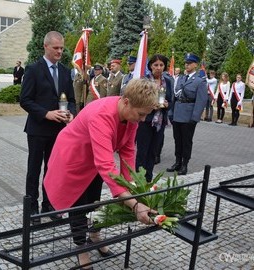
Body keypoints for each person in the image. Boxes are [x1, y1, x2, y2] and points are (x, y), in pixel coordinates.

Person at [43, 79, 158, 269]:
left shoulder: (131, 117)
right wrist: (134, 205)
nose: (143, 119)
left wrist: (129, 188)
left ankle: (95, 236)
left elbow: (128, 151)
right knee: (79, 206)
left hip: (95, 159)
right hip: (74, 158)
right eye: (141, 114)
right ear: (127, 102)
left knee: (95, 201)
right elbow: (106, 165)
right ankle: (81, 250)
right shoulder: (101, 115)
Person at [19, 31, 76, 222]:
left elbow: (72, 100)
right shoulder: (34, 69)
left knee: (52, 170)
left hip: (58, 131)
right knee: (34, 170)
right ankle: (32, 208)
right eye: (56, 48)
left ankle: (49, 205)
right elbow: (25, 100)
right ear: (46, 46)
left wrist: (71, 113)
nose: (60, 51)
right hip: (38, 129)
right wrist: (46, 113)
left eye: (62, 48)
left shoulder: (66, 72)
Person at [167, 53, 208, 175]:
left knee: (186, 141)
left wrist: (195, 117)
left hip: (189, 116)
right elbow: (175, 97)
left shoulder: (199, 81)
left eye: (189, 63)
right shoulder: (180, 78)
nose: (187, 65)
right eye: (186, 63)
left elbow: (201, 101)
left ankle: (184, 164)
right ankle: (177, 162)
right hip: (177, 114)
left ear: (195, 65)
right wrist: (171, 112)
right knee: (177, 140)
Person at [136, 54, 173, 181]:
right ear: (150, 66)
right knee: (142, 152)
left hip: (160, 122)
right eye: (155, 65)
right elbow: (139, 99)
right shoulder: (144, 80)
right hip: (145, 120)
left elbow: (171, 99)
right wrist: (150, 105)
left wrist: (167, 105)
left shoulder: (167, 81)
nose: (158, 68)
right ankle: (138, 180)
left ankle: (148, 179)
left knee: (153, 152)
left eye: (161, 65)